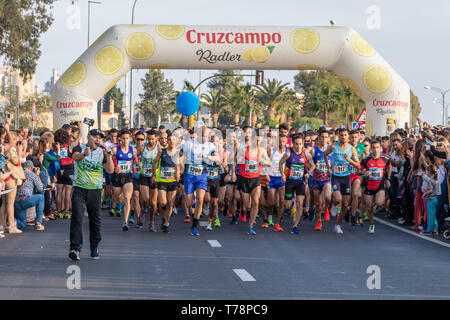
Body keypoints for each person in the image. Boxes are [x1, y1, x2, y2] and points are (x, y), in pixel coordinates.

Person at [69, 129, 114, 261]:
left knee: (95, 220)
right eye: (95, 136)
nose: (97, 139)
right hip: (79, 188)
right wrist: (84, 154)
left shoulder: (103, 152)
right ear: (88, 137)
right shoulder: (79, 148)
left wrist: (109, 156)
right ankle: (75, 248)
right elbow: (74, 157)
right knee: (77, 216)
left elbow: (110, 170)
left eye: (100, 138)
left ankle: (94, 247)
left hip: (95, 190)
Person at [323, 128, 360, 234]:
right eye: (341, 135)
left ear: (348, 137)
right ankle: (334, 204)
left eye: (345, 135)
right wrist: (328, 167)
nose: (343, 137)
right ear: (338, 136)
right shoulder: (334, 147)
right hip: (335, 177)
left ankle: (338, 225)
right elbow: (325, 155)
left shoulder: (352, 149)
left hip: (346, 177)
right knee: (338, 199)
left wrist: (349, 160)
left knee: (345, 204)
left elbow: (358, 165)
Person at [279, 134, 315, 234]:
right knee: (287, 206)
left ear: (303, 143)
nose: (298, 146)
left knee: (300, 203)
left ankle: (295, 225)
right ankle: (292, 203)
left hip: (300, 182)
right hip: (290, 182)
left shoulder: (305, 154)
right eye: (296, 144)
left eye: (300, 144)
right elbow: (280, 163)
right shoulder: (288, 154)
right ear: (292, 144)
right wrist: (282, 174)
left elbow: (313, 165)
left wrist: (308, 173)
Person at [111, 129, 141, 231]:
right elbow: (108, 160)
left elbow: (136, 160)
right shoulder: (115, 149)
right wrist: (114, 167)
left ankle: (125, 222)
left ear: (130, 139)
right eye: (123, 138)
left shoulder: (133, 150)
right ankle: (118, 205)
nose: (125, 140)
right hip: (117, 176)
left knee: (127, 199)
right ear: (120, 139)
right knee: (119, 198)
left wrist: (139, 164)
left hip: (128, 176)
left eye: (127, 138)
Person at [152, 132, 181, 233]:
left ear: (176, 142)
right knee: (163, 202)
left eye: (174, 140)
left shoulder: (177, 152)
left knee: (170, 203)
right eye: (170, 140)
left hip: (173, 181)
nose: (171, 142)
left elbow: (178, 165)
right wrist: (153, 175)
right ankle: (164, 218)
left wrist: (178, 173)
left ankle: (166, 224)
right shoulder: (162, 151)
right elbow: (154, 162)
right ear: (167, 141)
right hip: (162, 181)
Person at [360, 140, 391, 234]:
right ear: (370, 149)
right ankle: (371, 224)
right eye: (373, 147)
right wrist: (364, 173)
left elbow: (389, 166)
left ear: (380, 148)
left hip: (380, 186)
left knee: (379, 202)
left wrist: (388, 179)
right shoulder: (366, 160)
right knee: (369, 208)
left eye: (377, 147)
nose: (376, 150)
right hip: (369, 186)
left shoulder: (385, 158)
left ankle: (376, 205)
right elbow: (359, 170)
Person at [310, 128, 332, 231]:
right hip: (316, 179)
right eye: (322, 137)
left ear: (328, 138)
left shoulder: (331, 149)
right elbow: (307, 163)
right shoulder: (314, 150)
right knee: (318, 203)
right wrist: (314, 165)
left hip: (327, 179)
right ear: (318, 138)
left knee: (327, 197)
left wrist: (331, 168)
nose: (324, 139)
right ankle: (319, 221)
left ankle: (327, 208)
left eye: (326, 137)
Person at [14, 160, 45, 231]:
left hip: (15, 201)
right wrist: (37, 176)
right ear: (31, 168)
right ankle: (38, 223)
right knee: (41, 197)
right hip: (25, 200)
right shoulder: (31, 174)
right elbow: (40, 189)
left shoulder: (18, 172)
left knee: (22, 225)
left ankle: (11, 222)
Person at [137, 129, 159, 232]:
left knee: (153, 203)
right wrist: (138, 163)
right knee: (145, 199)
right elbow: (134, 156)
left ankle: (152, 222)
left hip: (154, 177)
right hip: (144, 175)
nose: (150, 141)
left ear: (156, 138)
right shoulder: (142, 147)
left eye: (152, 139)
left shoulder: (159, 148)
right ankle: (144, 209)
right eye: (149, 139)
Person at [420, 165, 441, 235]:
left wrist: (424, 194)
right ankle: (435, 229)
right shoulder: (436, 179)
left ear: (429, 172)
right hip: (435, 199)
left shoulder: (430, 180)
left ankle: (429, 230)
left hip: (430, 199)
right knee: (433, 215)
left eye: (427, 171)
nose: (426, 173)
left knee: (430, 216)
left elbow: (431, 190)